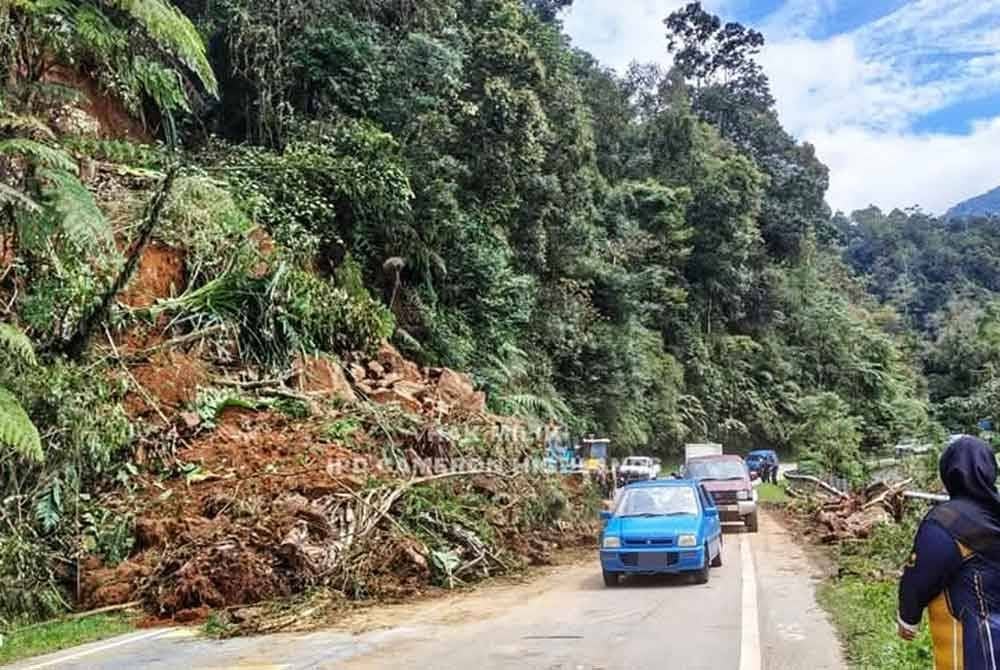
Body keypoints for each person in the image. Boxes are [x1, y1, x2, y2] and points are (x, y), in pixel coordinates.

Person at [897, 436, 1000, 669]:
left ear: (948, 472)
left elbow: (920, 576)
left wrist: (908, 617)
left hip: (973, 648)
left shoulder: (945, 522)